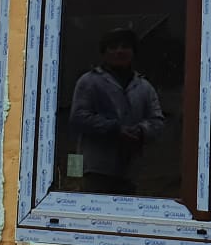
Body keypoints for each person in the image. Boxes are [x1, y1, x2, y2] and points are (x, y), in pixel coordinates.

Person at [68, 28, 166, 195]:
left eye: (125, 46)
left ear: (133, 52)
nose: (119, 51)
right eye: (113, 47)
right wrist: (115, 129)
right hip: (94, 169)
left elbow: (157, 121)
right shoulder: (89, 81)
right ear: (104, 53)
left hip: (131, 172)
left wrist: (141, 131)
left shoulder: (144, 87)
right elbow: (78, 118)